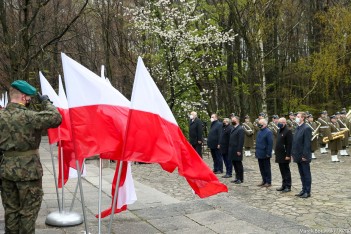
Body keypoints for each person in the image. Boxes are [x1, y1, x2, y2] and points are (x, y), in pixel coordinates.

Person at [0, 80, 62, 233]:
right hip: (29, 172)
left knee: (11, 212)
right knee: (28, 213)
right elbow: (55, 117)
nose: (30, 101)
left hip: (6, 171)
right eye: (29, 98)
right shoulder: (30, 117)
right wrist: (46, 102)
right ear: (23, 97)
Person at [291, 112, 312, 198]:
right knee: (301, 174)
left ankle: (307, 191)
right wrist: (293, 153)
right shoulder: (298, 128)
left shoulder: (306, 128)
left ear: (303, 118)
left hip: (303, 156)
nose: (296, 118)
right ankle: (303, 190)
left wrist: (304, 155)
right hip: (298, 155)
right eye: (296, 116)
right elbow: (295, 142)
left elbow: (307, 144)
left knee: (306, 174)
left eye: (298, 116)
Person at [275, 118, 293, 192]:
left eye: (281, 122)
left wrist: (288, 155)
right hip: (279, 154)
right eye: (278, 122)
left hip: (285, 154)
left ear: (285, 123)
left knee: (286, 170)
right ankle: (283, 185)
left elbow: (289, 144)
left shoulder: (288, 131)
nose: (279, 123)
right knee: (282, 170)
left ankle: (288, 186)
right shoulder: (279, 130)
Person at [255, 118, 273, 187]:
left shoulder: (268, 132)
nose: (259, 125)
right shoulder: (259, 131)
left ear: (265, 124)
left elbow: (270, 144)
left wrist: (268, 153)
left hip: (265, 153)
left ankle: (268, 181)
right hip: (259, 152)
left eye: (261, 124)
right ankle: (264, 180)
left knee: (266, 168)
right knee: (261, 168)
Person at [228, 116, 245, 184]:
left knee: (238, 164)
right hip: (232, 149)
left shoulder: (240, 129)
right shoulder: (233, 128)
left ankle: (240, 178)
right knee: (234, 164)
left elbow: (240, 141)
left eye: (233, 120)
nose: (232, 121)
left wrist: (239, 150)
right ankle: (237, 177)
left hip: (237, 149)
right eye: (232, 120)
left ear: (237, 121)